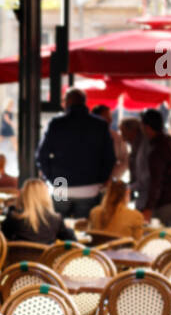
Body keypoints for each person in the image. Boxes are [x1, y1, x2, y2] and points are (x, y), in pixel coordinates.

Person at [35, 87, 116, 218]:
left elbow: (41, 155)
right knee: (83, 228)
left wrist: (52, 177)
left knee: (58, 227)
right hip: (89, 187)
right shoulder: (99, 125)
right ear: (84, 102)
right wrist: (101, 179)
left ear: (67, 102)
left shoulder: (56, 124)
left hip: (60, 183)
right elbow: (109, 157)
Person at [139, 108, 171, 226]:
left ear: (147, 127)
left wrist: (148, 208)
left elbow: (156, 183)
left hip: (169, 202)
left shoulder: (156, 150)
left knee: (164, 239)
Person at [1, 178, 73, 243]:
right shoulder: (56, 219)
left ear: (24, 194)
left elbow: (3, 236)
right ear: (45, 196)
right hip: (48, 257)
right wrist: (69, 229)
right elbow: (72, 242)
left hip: (19, 257)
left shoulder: (14, 217)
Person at [92, 104, 129, 180]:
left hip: (109, 183)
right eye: (106, 117)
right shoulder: (87, 136)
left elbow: (126, 160)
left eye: (110, 117)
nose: (110, 120)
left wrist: (113, 177)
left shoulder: (117, 138)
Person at [119, 117, 150, 206]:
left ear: (133, 131)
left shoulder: (143, 148)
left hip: (146, 196)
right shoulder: (136, 146)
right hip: (143, 194)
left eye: (123, 132)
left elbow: (145, 179)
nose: (122, 136)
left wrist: (129, 187)